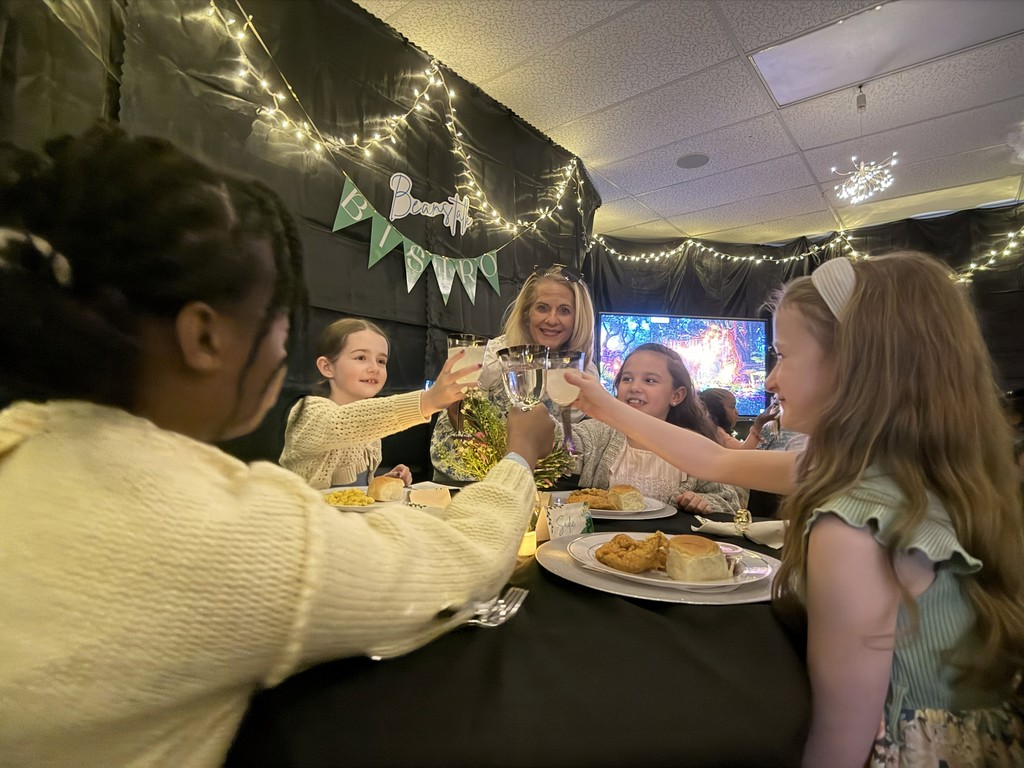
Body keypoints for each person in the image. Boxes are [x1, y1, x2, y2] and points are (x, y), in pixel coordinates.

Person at [0, 122, 555, 767]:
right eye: (278, 319)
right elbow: (460, 564)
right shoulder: (228, 530)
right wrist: (518, 458)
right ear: (205, 338)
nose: (281, 345)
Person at [566, 253, 1024, 766]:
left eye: (783, 356)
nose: (769, 381)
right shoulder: (898, 467)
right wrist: (605, 406)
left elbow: (839, 745)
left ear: (855, 366)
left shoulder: (851, 531)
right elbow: (715, 457)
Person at [431, 263, 598, 481]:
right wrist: (490, 463)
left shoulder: (583, 370)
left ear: (578, 318)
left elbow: (570, 434)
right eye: (542, 308)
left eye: (564, 310)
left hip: (532, 478)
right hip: (467, 472)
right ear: (527, 313)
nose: (552, 319)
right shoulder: (494, 354)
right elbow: (456, 406)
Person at [279, 317, 472, 489]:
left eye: (381, 361)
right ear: (327, 367)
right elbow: (343, 423)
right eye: (360, 357)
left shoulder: (370, 429)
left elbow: (352, 492)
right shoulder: (308, 412)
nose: (374, 368)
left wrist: (383, 482)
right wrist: (426, 401)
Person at [571, 344, 741, 515]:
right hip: (602, 540)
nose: (634, 388)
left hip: (669, 540)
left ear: (676, 396)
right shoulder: (600, 432)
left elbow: (730, 503)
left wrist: (704, 502)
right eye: (627, 379)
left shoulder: (693, 445)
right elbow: (562, 443)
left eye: (649, 381)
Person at [700, 387, 779, 449]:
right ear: (717, 410)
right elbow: (743, 452)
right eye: (732, 406)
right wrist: (758, 425)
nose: (737, 412)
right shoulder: (717, 433)